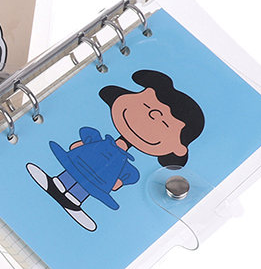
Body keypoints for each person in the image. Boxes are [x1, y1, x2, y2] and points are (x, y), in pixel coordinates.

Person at [27, 70, 204, 231]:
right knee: (73, 174)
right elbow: (84, 140)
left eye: (165, 124)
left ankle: (74, 201)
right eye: (145, 106)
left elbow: (129, 176)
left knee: (88, 186)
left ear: (178, 148)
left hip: (99, 179)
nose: (152, 117)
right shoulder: (98, 140)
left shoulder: (122, 164)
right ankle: (57, 183)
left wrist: (117, 181)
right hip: (81, 162)